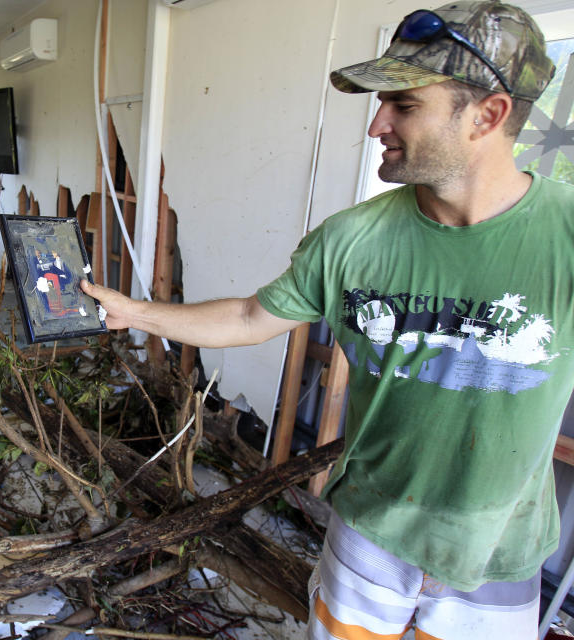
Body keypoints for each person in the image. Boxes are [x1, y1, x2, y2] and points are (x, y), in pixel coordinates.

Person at [82, 2, 564, 637]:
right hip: (368, 535)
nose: (377, 125)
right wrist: (135, 311)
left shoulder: (566, 234)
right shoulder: (353, 239)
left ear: (489, 115)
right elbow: (252, 317)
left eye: (405, 105)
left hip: (496, 552)